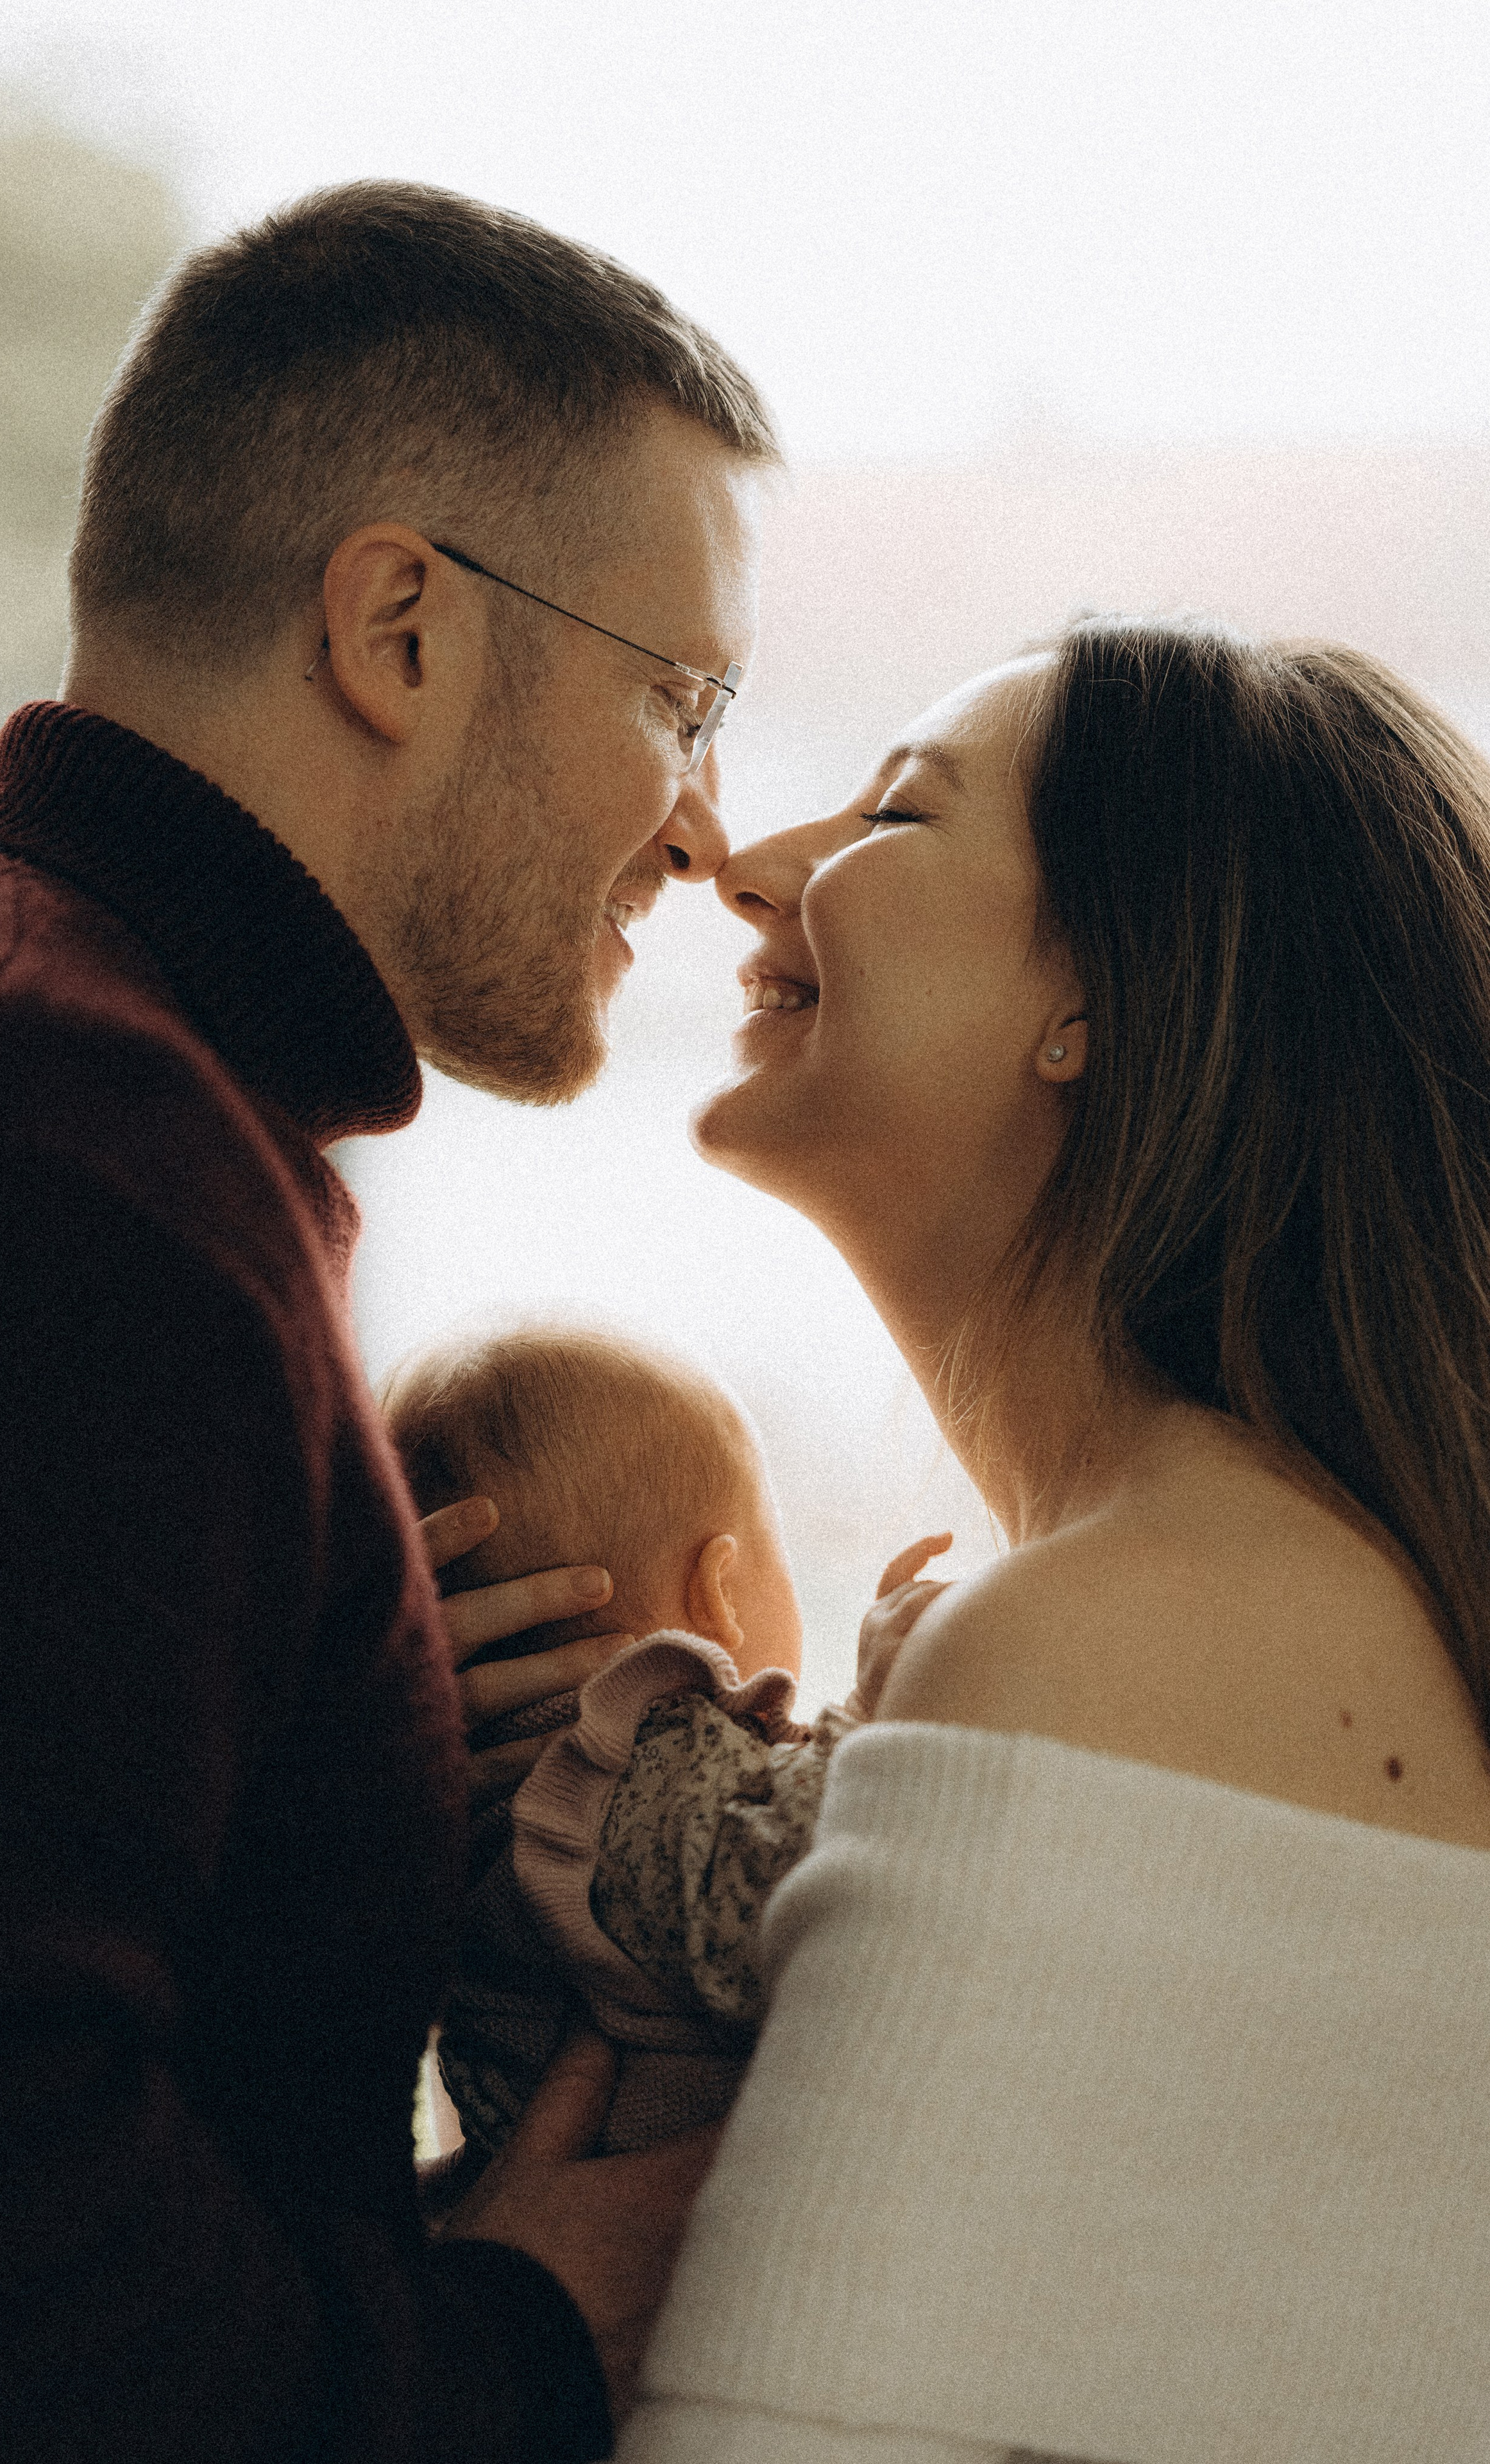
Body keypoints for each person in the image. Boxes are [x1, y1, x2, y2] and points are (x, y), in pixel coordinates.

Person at [0, 182, 779, 2463]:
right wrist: (521, 2339)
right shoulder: (46, 1145)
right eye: (684, 696)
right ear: (400, 628)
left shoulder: (62, 1071)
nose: (707, 833)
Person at [620, 620, 1490, 2461]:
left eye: (897, 814)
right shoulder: (1315, 1590)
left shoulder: (1109, 1638)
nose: (751, 869)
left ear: (1097, 990)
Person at [381, 1320, 949, 2173]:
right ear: (716, 1588)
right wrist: (880, 1706)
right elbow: (804, 1889)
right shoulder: (636, 1776)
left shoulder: (452, 1823)